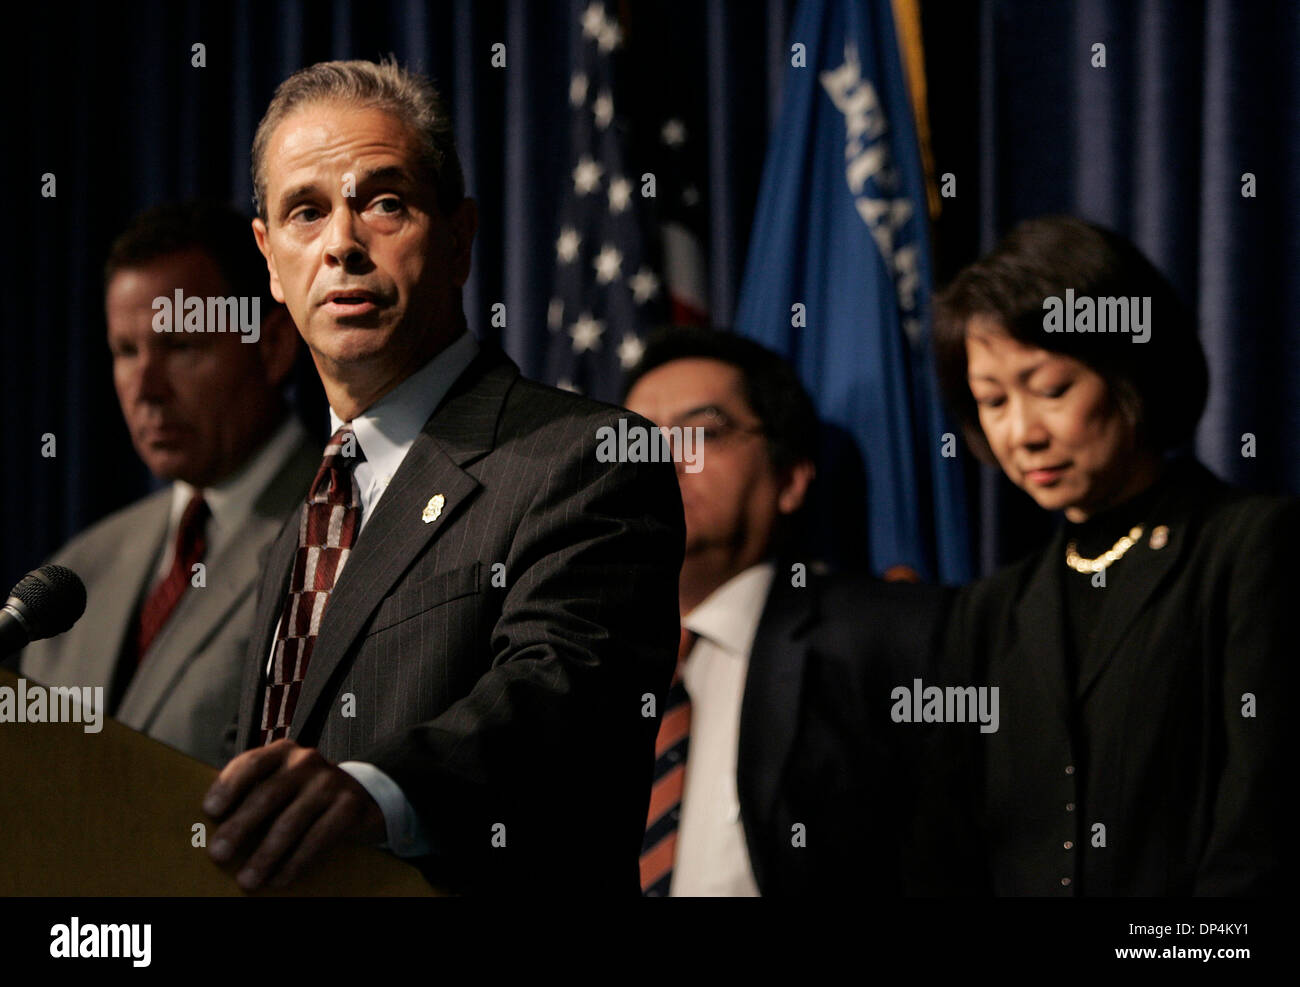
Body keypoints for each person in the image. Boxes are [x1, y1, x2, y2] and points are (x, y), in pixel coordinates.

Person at [202, 58, 683, 895]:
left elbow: (559, 698)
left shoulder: (586, 458)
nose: (343, 244)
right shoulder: (300, 528)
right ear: (270, 262)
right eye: (305, 212)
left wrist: (376, 793)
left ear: (459, 237)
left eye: (385, 202)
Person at [926, 215, 1296, 895]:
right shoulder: (988, 611)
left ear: (1133, 370)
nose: (1022, 433)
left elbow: (1265, 828)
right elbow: (950, 848)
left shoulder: (1250, 548)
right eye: (992, 401)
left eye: (1051, 388)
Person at [623, 327, 950, 896]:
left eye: (700, 433)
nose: (661, 461)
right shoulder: (572, 662)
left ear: (792, 477)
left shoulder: (893, 637)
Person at [19, 202, 316, 767]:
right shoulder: (77, 571)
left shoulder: (338, 541)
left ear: (273, 347)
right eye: (126, 352)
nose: (145, 387)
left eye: (181, 346)